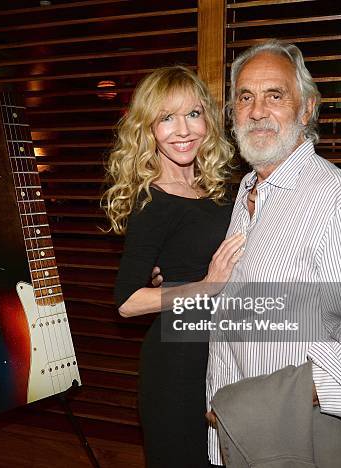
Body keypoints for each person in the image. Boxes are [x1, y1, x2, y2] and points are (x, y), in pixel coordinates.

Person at [202, 40, 341, 466]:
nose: (257, 111)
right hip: (232, 437)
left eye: (276, 95)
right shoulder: (247, 190)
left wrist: (259, 404)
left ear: (306, 110)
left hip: (290, 440)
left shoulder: (335, 199)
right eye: (245, 97)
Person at [102, 66, 245, 468]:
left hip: (222, 354)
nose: (182, 130)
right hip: (177, 364)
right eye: (166, 118)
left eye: (193, 114)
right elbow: (126, 301)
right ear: (148, 129)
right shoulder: (153, 202)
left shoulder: (216, 188)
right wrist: (207, 284)